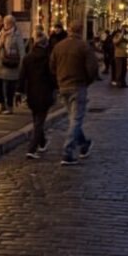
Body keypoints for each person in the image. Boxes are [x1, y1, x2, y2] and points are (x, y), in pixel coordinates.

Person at [50, 23, 99, 166]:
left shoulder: (59, 46)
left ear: (69, 30)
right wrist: (87, 81)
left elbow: (52, 66)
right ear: (81, 31)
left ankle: (84, 144)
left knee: (73, 118)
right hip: (78, 86)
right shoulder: (83, 46)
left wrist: (59, 78)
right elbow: (93, 68)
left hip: (63, 86)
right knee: (76, 120)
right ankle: (67, 152)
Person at [18, 27, 57, 159]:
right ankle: (32, 149)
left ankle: (42, 143)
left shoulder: (27, 58)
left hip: (32, 93)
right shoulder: (48, 58)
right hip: (45, 93)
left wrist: (19, 91)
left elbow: (22, 76)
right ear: (45, 43)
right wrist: (56, 88)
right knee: (39, 121)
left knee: (37, 118)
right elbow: (52, 76)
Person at [0, 15, 26, 114]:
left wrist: (22, 64)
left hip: (11, 64)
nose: (5, 24)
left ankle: (9, 106)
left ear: (12, 24)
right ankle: (1, 103)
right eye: (4, 22)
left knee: (9, 87)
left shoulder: (16, 35)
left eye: (7, 23)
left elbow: (21, 51)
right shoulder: (1, 33)